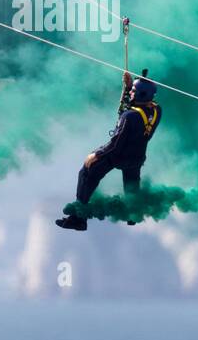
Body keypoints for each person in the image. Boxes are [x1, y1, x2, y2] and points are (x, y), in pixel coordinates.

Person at [56, 71, 162, 231]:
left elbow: (115, 144)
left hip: (118, 156)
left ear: (141, 94)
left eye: (134, 90)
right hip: (137, 156)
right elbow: (133, 107)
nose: (131, 92)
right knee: (132, 186)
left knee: (87, 173)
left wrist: (96, 155)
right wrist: (127, 87)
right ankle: (133, 214)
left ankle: (78, 217)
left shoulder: (129, 117)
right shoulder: (156, 111)